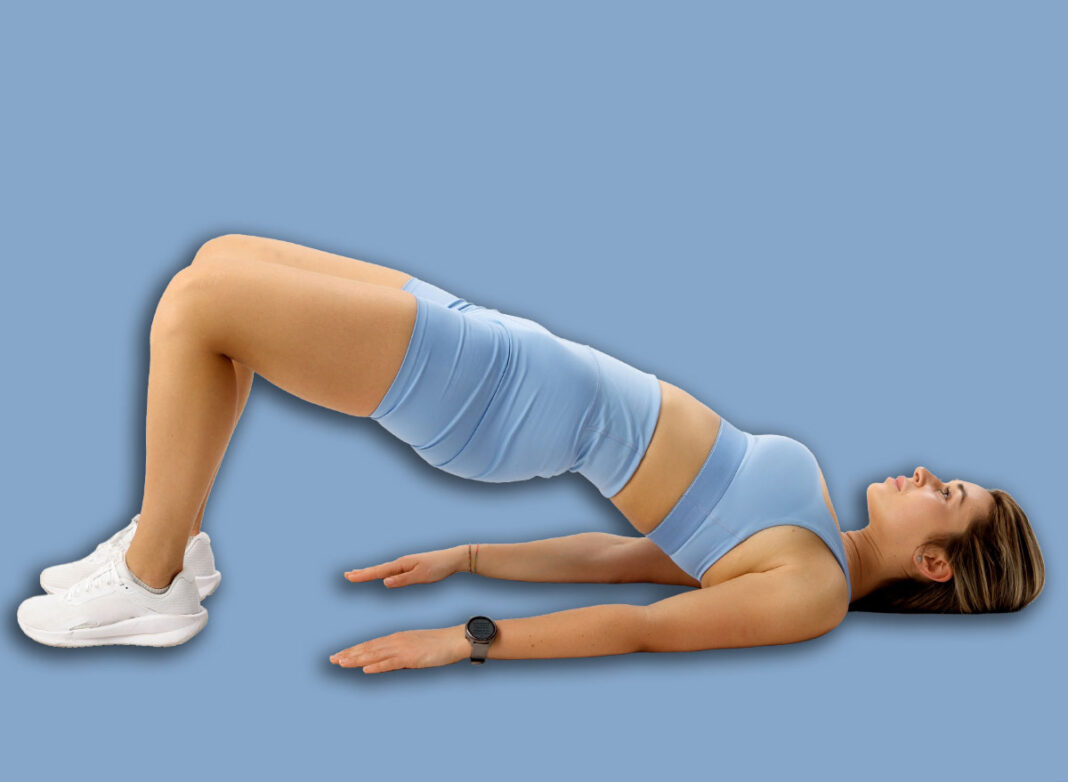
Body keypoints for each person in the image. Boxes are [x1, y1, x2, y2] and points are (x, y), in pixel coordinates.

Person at [17, 234, 1045, 670]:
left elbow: (642, 627)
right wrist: (469, 555)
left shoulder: (812, 593)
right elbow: (628, 558)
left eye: (943, 492)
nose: (921, 471)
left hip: (497, 402)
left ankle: (154, 578)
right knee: (224, 260)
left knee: (200, 308)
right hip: (514, 351)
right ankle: (172, 539)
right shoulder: (814, 522)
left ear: (938, 561)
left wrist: (465, 636)